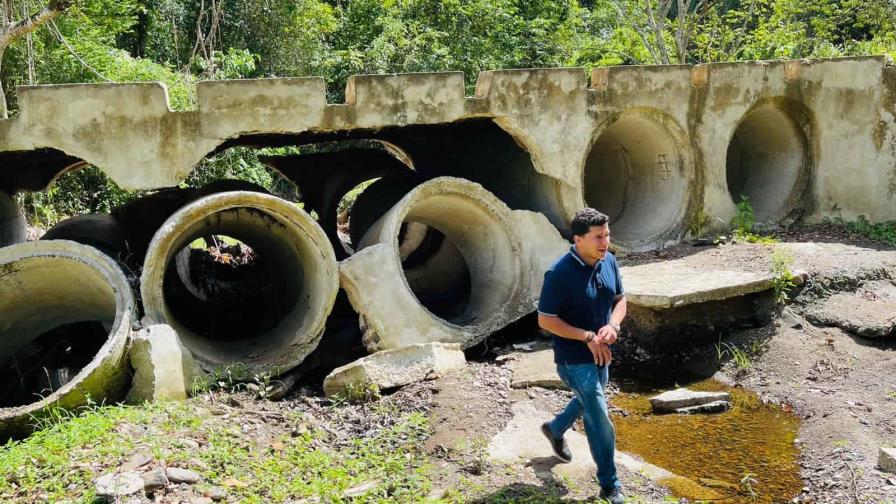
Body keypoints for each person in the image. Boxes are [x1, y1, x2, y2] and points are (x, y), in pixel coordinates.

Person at [536, 207, 627, 504]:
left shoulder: (609, 261)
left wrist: (613, 325)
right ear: (578, 239)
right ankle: (610, 485)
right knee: (597, 412)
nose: (605, 242)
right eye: (598, 237)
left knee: (591, 397)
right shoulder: (559, 274)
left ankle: (555, 428)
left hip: (602, 354)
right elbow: (546, 320)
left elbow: (620, 299)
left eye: (607, 235)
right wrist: (587, 336)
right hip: (573, 360)